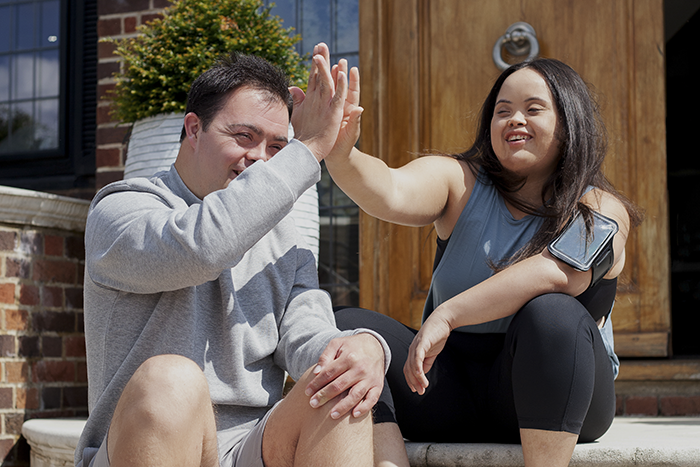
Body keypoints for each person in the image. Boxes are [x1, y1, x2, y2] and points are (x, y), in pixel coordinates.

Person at [76, 45, 391, 467]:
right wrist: (308, 147)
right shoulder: (121, 212)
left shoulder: (283, 236)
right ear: (193, 128)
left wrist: (363, 347)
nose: (261, 159)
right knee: (172, 379)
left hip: (248, 449)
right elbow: (204, 247)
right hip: (141, 448)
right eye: (244, 137)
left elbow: (307, 336)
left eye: (278, 146)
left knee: (338, 383)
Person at [324, 54, 643, 467]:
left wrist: (448, 315)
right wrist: (341, 155)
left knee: (553, 314)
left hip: (560, 394)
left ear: (568, 124)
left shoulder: (601, 209)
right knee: (345, 324)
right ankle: (387, 457)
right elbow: (389, 189)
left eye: (533, 109)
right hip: (446, 388)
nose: (514, 120)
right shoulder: (459, 181)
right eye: (502, 111)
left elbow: (558, 271)